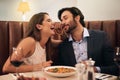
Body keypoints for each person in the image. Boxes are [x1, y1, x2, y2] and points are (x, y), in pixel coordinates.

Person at [55, 7, 118, 76]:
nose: (62, 22)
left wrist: (94, 69)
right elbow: (58, 69)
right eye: (61, 20)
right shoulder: (63, 46)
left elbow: (115, 68)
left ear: (77, 18)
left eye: (65, 18)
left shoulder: (101, 37)